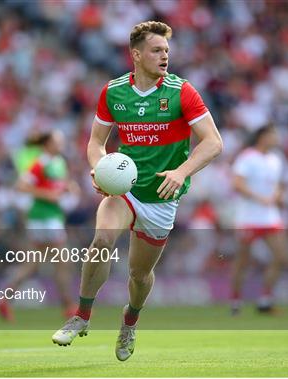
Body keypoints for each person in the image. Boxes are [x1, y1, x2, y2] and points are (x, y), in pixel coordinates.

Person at [51, 20, 223, 361]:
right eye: (157, 50)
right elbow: (96, 143)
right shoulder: (113, 91)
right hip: (124, 190)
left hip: (161, 198)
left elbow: (213, 142)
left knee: (139, 274)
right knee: (101, 241)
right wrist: (99, 169)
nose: (164, 57)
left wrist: (181, 170)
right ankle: (81, 316)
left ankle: (130, 321)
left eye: (167, 51)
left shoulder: (181, 91)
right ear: (136, 55)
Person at [0, 130, 78, 321]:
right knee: (63, 262)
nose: (61, 144)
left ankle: (4, 299)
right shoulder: (41, 163)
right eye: (57, 141)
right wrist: (46, 194)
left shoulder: (58, 163)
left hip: (49, 217)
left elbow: (56, 185)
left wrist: (68, 187)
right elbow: (21, 186)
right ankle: (68, 306)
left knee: (32, 264)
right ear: (47, 144)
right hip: (45, 218)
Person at [229, 125, 288, 315]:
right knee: (243, 261)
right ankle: (236, 301)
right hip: (249, 217)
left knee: (281, 257)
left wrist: (278, 195)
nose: (276, 139)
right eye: (273, 135)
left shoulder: (276, 160)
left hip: (270, 216)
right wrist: (260, 198)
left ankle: (265, 300)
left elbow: (277, 184)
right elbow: (237, 184)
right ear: (262, 137)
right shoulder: (247, 157)